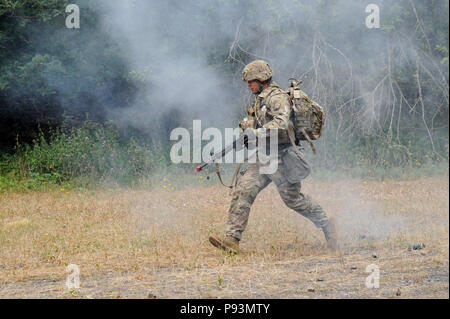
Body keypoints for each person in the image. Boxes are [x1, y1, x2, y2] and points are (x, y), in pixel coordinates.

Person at [209, 60, 338, 254]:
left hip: (284, 157)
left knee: (293, 200)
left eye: (252, 80)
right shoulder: (260, 98)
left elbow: (281, 124)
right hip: (265, 157)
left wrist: (256, 134)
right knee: (243, 190)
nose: (248, 84)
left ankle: (328, 226)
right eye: (248, 81)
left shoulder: (276, 97)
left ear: (263, 79)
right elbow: (262, 125)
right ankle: (232, 240)